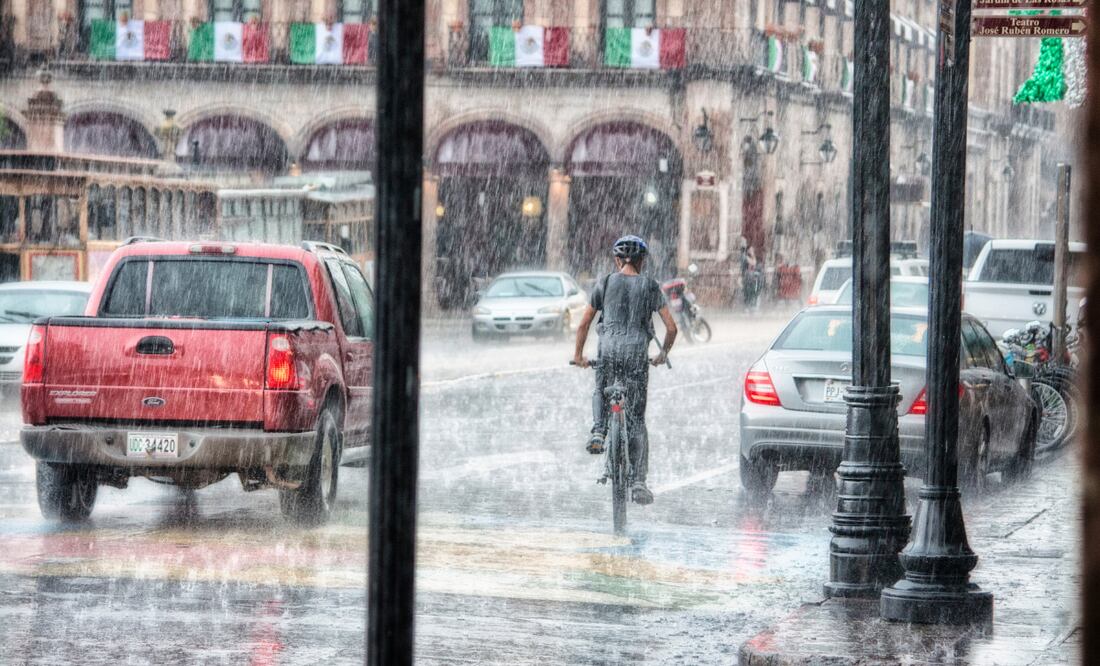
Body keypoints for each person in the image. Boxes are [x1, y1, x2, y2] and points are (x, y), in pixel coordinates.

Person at [572, 235, 677, 506]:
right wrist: (662, 354)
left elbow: (584, 324)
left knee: (600, 387)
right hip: (636, 357)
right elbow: (672, 328)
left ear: (617, 260)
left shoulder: (605, 282)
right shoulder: (650, 286)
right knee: (637, 421)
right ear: (642, 261)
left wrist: (578, 355)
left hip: (608, 352)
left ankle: (598, 431)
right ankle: (639, 481)